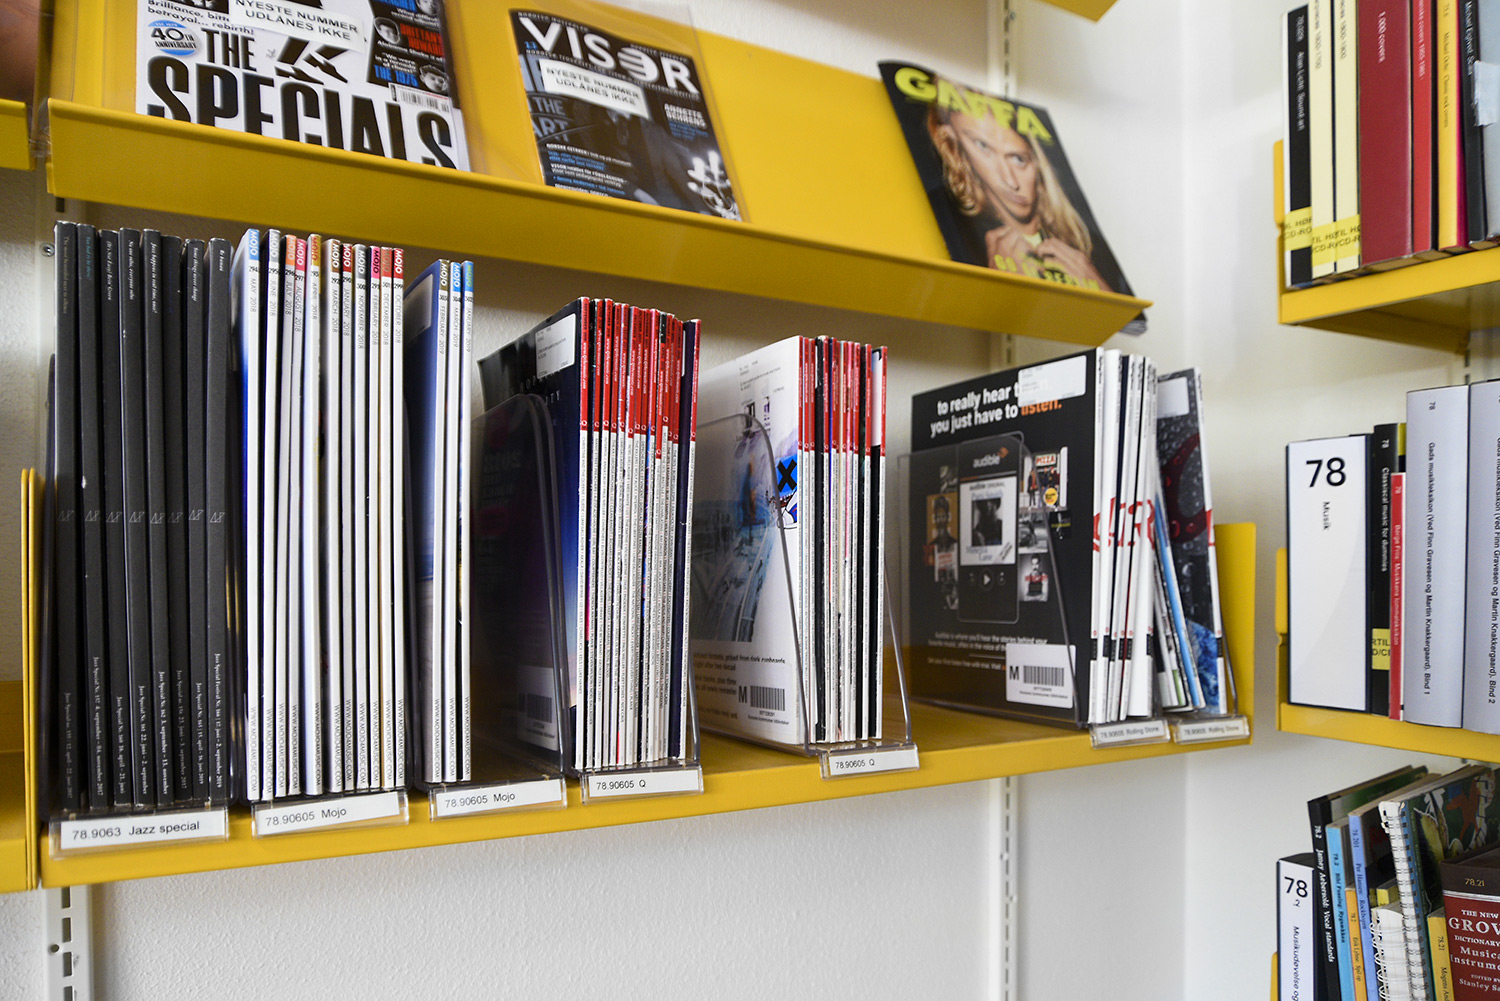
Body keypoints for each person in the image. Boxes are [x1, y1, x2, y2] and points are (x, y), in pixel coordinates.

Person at [926, 91, 1109, 291]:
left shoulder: (1090, 245)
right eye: (983, 147)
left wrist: (1100, 289)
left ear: (1038, 163)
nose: (1010, 181)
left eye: (1018, 159)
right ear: (951, 140)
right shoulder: (942, 223)